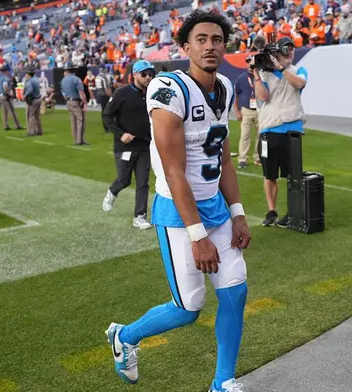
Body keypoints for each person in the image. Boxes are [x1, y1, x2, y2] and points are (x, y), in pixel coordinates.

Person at [104, 10, 251, 392]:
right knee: (188, 309)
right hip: (178, 213)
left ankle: (223, 382)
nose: (210, 46)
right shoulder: (169, 89)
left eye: (217, 40)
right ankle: (126, 336)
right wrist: (197, 234)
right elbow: (173, 170)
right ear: (185, 47)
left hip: (215, 207)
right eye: (201, 39)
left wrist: (238, 213)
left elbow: (224, 158)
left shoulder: (227, 86)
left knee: (235, 290)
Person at [252, 36, 308, 227]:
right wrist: (256, 74)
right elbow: (263, 97)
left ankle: (294, 212)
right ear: (277, 52)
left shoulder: (298, 70)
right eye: (286, 49)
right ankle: (272, 211)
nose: (290, 52)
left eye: (292, 49)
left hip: (292, 130)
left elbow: (299, 84)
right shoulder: (265, 74)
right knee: (269, 175)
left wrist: (281, 68)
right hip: (269, 129)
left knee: (293, 175)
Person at [101, 60, 155, 230]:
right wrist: (120, 134)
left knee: (143, 182)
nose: (148, 77)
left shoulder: (151, 93)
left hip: (145, 146)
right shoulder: (121, 93)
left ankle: (140, 216)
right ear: (135, 75)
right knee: (124, 180)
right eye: (144, 74)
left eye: (150, 74)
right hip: (125, 146)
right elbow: (107, 116)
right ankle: (112, 192)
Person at [233, 55, 260, 169]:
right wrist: (237, 111)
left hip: (260, 110)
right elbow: (236, 95)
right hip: (246, 110)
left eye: (252, 62)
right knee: (245, 135)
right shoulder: (241, 78)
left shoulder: (261, 76)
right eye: (249, 62)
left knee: (261, 135)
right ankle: (242, 159)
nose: (250, 64)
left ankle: (258, 157)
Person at [60, 67, 88, 145]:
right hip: (76, 101)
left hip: (68, 101)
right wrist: (85, 103)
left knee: (73, 121)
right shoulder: (77, 79)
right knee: (80, 120)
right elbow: (81, 93)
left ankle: (75, 139)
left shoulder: (63, 80)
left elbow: (63, 93)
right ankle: (80, 140)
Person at [0, 65, 23, 131]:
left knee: (4, 111)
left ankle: (5, 125)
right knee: (12, 111)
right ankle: (17, 125)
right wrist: (9, 93)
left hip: (1, 95)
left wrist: (0, 92)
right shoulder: (6, 78)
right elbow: (5, 86)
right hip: (6, 96)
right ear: (6, 71)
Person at [22, 66, 43, 137]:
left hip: (33, 99)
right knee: (37, 116)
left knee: (31, 116)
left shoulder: (29, 81)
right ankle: (39, 130)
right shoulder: (37, 79)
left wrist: (25, 95)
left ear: (28, 74)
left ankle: (31, 131)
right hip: (38, 98)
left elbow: (30, 90)